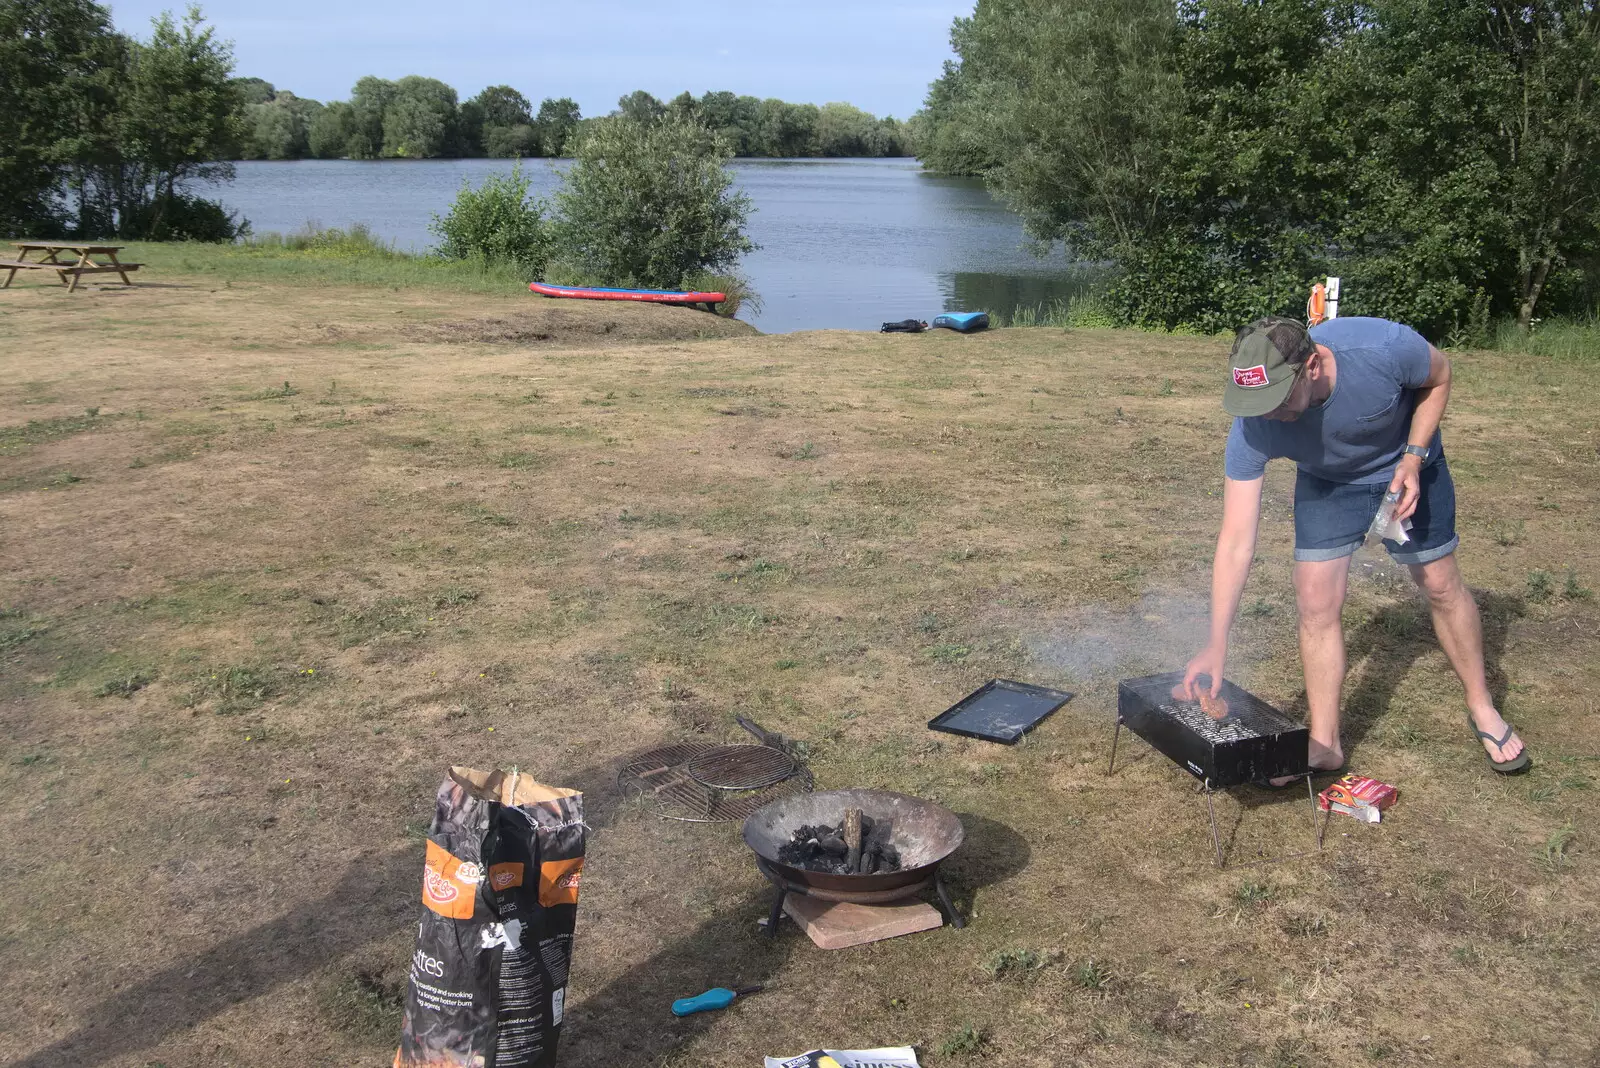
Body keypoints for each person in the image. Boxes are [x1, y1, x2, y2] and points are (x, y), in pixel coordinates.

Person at [1179, 315, 1529, 778]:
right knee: (1315, 602)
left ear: (1314, 366)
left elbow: (1440, 376)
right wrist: (1216, 644)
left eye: (1278, 400)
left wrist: (1413, 456)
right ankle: (1325, 744)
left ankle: (1482, 706)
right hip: (1329, 486)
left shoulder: (1380, 348)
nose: (1268, 415)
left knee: (1442, 586)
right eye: (1256, 402)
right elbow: (1236, 540)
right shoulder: (1252, 426)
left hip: (1407, 472)